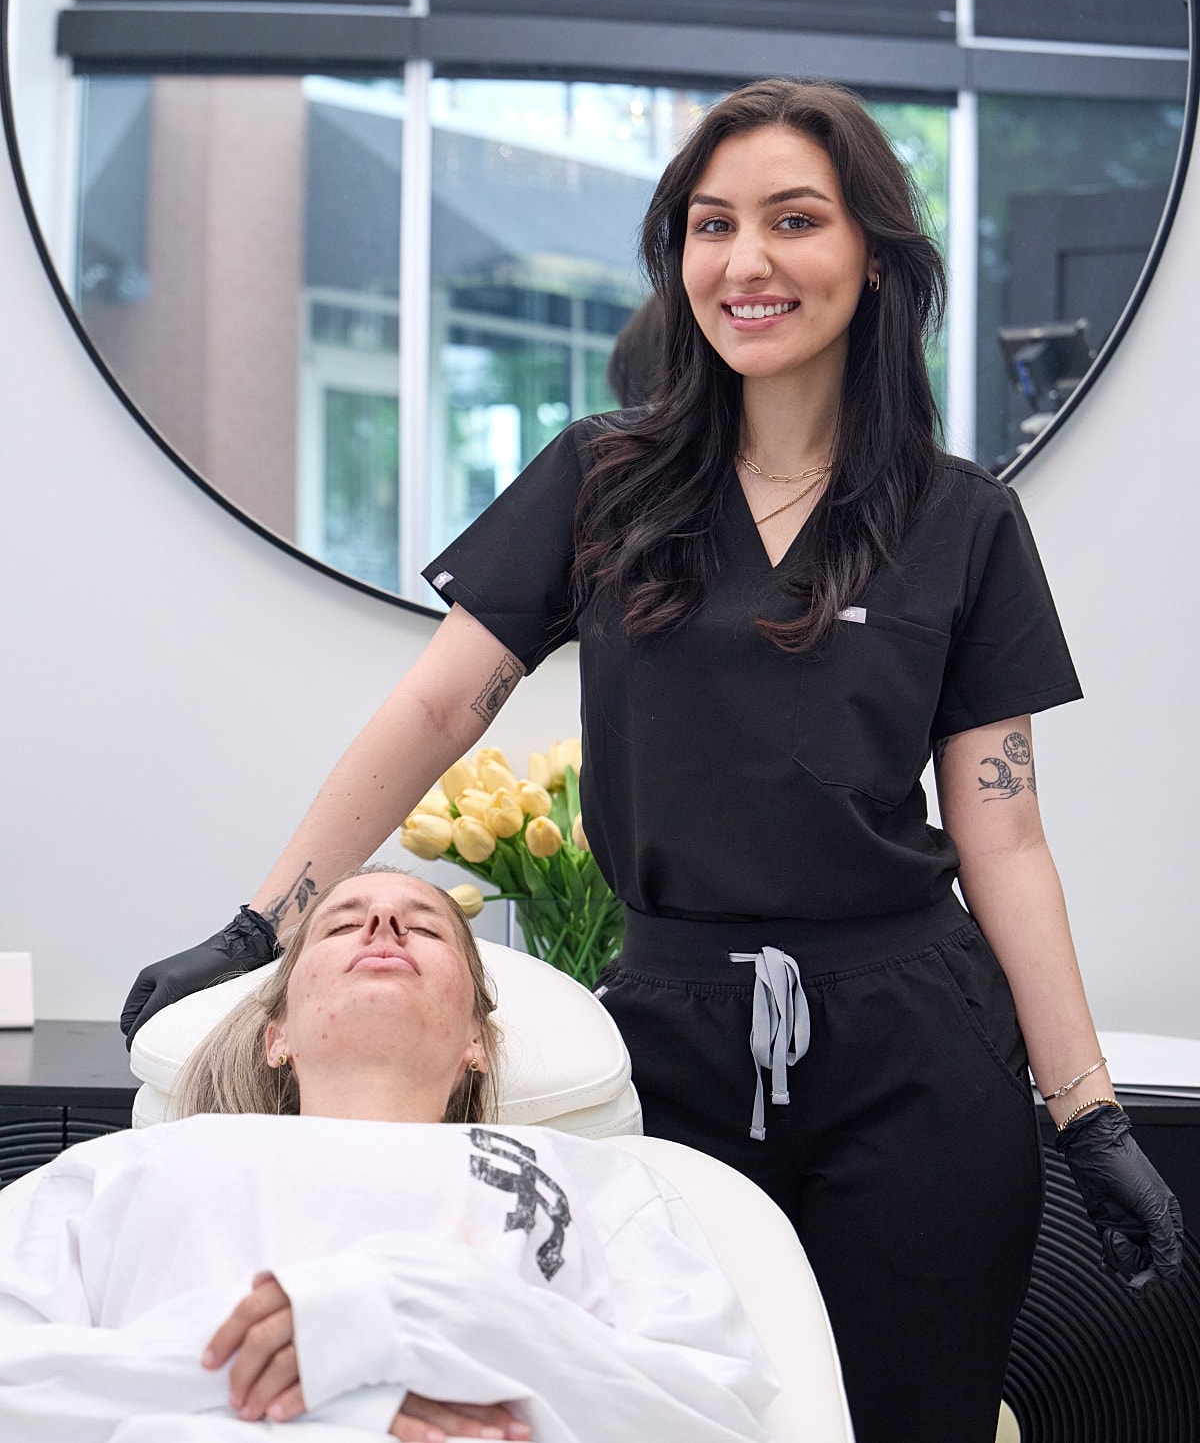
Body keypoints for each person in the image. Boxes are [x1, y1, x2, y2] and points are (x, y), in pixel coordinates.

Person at [120, 78, 1183, 1443]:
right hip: (669, 1041)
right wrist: (264, 920)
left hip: (919, 1049)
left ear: (873, 254)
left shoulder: (962, 519)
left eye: (793, 220)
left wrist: (1086, 1112)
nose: (745, 262)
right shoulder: (602, 480)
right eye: (709, 224)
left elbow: (1005, 833)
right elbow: (441, 709)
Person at [0, 869, 778, 1442]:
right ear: (278, 1035)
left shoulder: (598, 1183)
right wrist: (344, 1393)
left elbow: (717, 1419)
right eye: (341, 925)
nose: (382, 928)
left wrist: (417, 1309)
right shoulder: (123, 1172)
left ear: (479, 1039)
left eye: (426, 927)